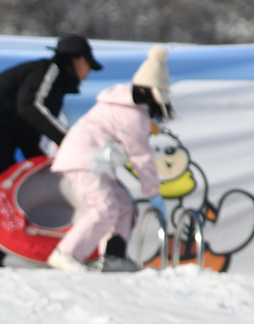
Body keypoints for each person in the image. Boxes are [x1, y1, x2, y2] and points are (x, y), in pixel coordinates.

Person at [0, 34, 102, 266]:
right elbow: (31, 107)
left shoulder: (52, 86)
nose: (87, 74)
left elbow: (27, 132)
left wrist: (46, 165)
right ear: (76, 60)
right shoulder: (50, 71)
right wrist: (70, 140)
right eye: (88, 66)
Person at [46, 47, 172, 273]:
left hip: (90, 160)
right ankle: (65, 254)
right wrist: (153, 193)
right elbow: (141, 158)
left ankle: (114, 256)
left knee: (123, 205)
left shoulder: (121, 103)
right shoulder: (133, 115)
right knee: (105, 207)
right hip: (84, 160)